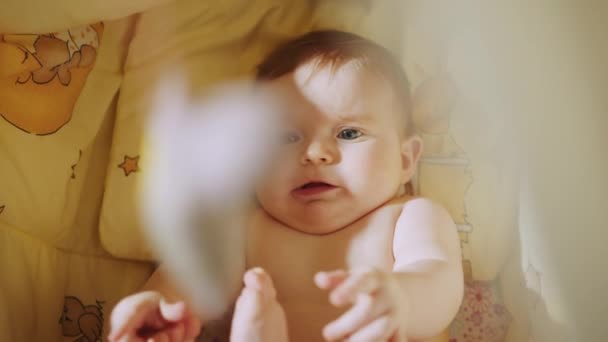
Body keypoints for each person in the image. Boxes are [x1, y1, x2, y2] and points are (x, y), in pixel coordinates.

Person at [109, 30, 463, 342]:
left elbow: (439, 279)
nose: (314, 153)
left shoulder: (409, 217)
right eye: (286, 137)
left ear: (405, 159)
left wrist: (401, 298)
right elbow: (189, 280)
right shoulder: (248, 230)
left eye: (349, 133)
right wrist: (158, 309)